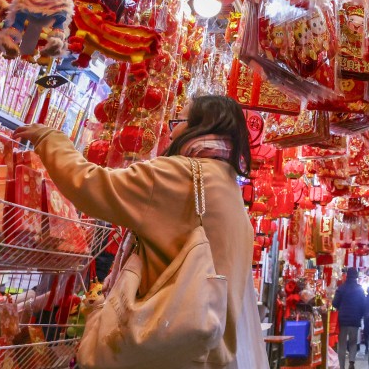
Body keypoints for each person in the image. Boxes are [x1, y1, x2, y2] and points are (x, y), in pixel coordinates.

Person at [14, 94, 268, 369]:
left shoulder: (182, 175)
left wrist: (51, 140)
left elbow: (90, 184)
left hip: (163, 343)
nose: (172, 131)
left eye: (178, 121)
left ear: (200, 126)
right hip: (205, 349)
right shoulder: (230, 189)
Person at [332, 267, 366, 369]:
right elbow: (364, 305)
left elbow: (334, 303)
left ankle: (341, 366)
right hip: (355, 320)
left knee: (342, 344)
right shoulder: (360, 289)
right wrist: (360, 315)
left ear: (347, 275)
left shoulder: (341, 288)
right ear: (356, 276)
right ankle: (351, 362)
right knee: (353, 342)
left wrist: (340, 308)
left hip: (342, 320)